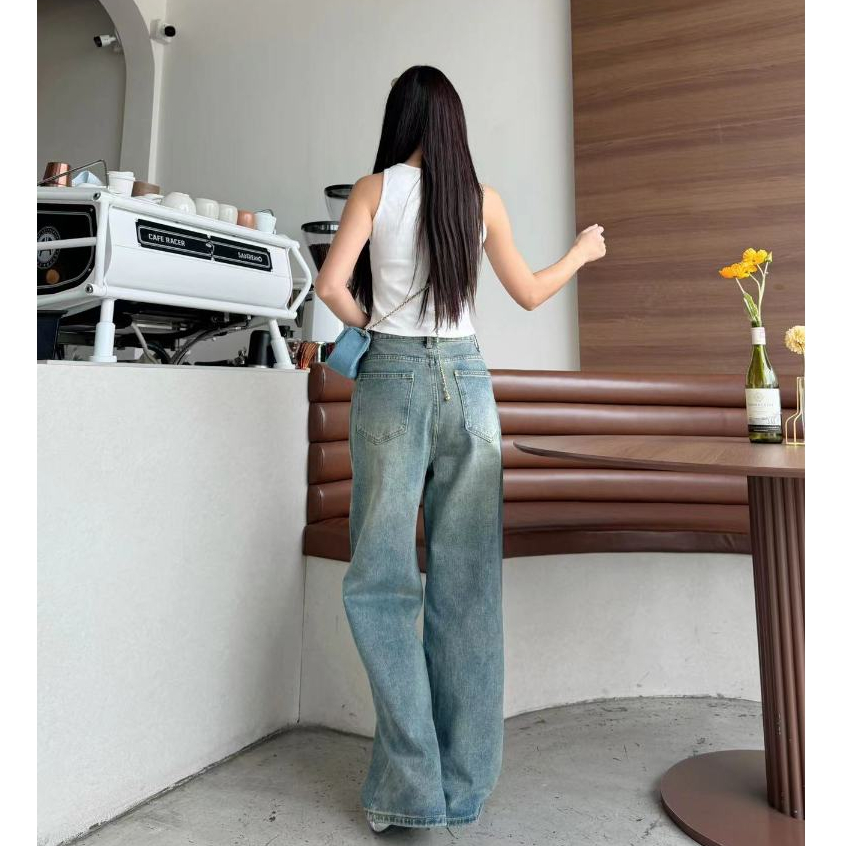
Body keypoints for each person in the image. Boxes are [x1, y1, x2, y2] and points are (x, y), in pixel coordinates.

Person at [314, 65, 606, 833]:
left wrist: (374, 324)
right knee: (469, 588)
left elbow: (331, 288)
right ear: (452, 123)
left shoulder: (373, 190)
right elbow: (531, 293)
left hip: (392, 381)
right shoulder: (482, 199)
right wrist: (582, 252)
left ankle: (411, 790)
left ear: (400, 120)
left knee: (381, 581)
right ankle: (464, 788)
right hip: (469, 386)